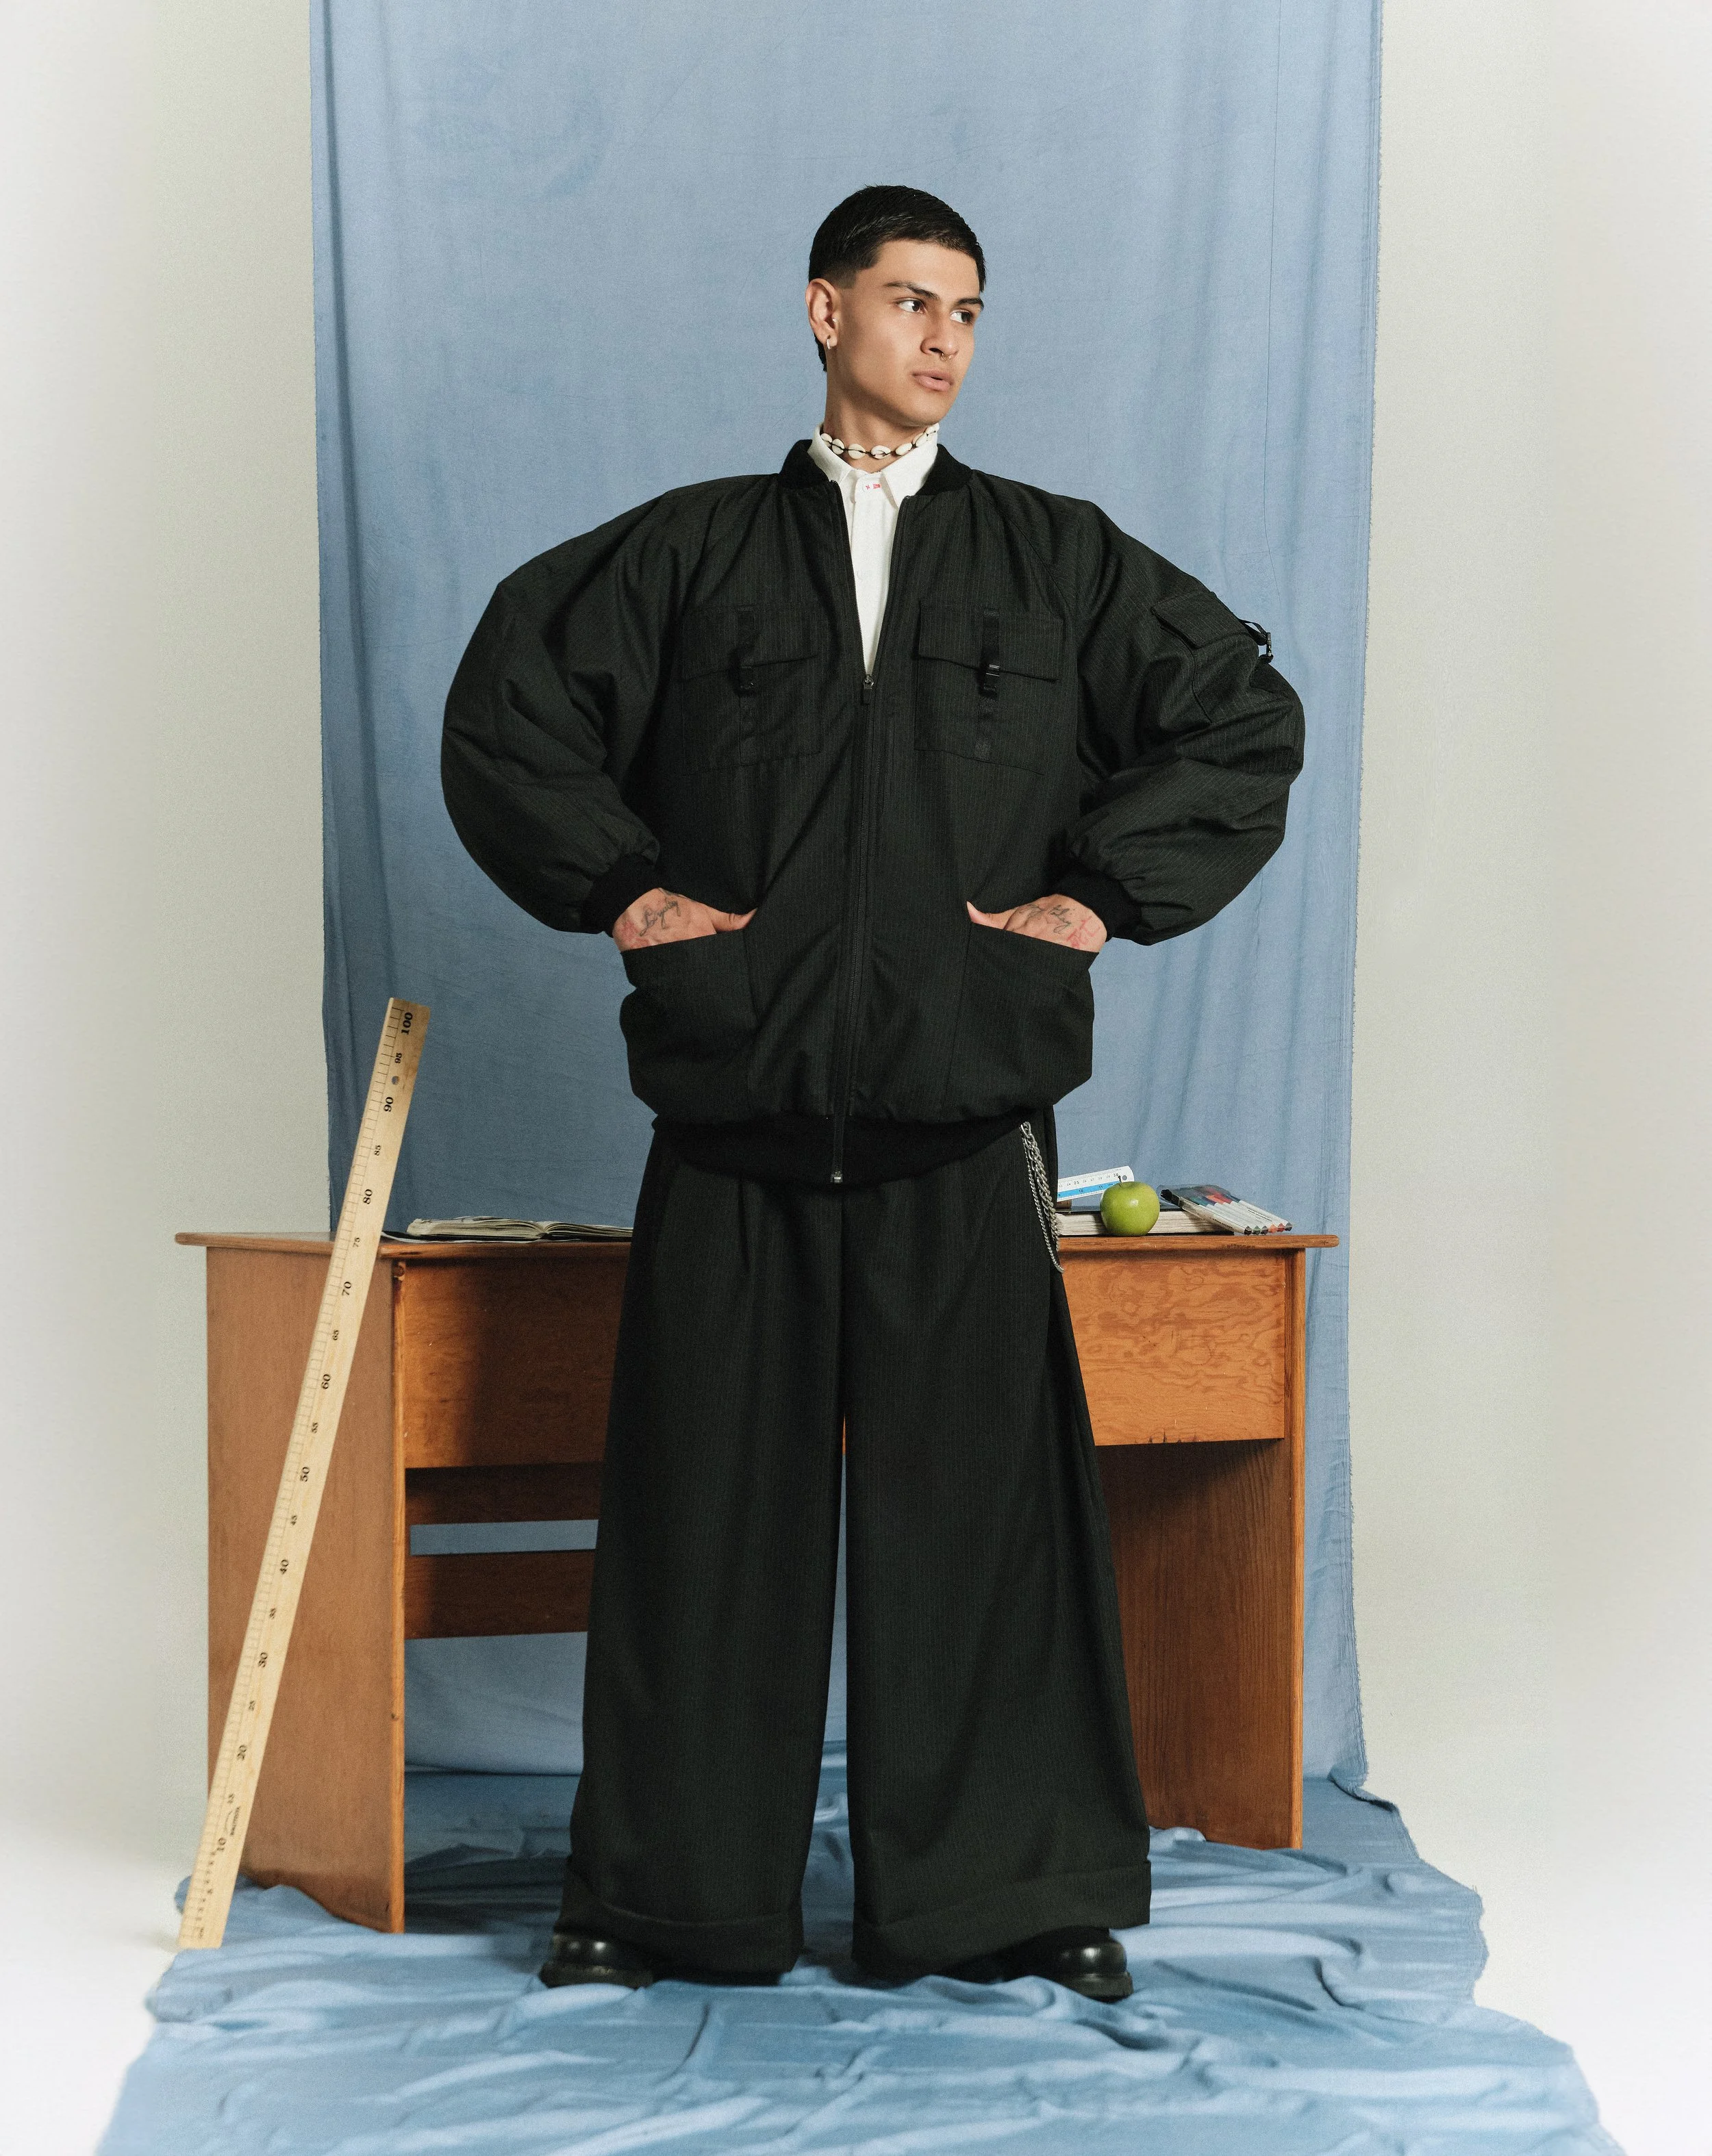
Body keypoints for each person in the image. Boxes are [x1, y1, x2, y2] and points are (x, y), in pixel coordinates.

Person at [442, 184, 1305, 1999]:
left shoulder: (1054, 564)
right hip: (737, 1104)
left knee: (980, 1517)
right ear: (822, 310)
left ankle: (1010, 1894)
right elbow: (510, 704)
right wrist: (627, 892)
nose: (942, 339)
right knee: (699, 1511)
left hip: (961, 1105)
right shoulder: (683, 558)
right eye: (909, 301)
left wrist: (1097, 896)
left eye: (968, 310)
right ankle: (658, 1898)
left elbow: (1236, 715)